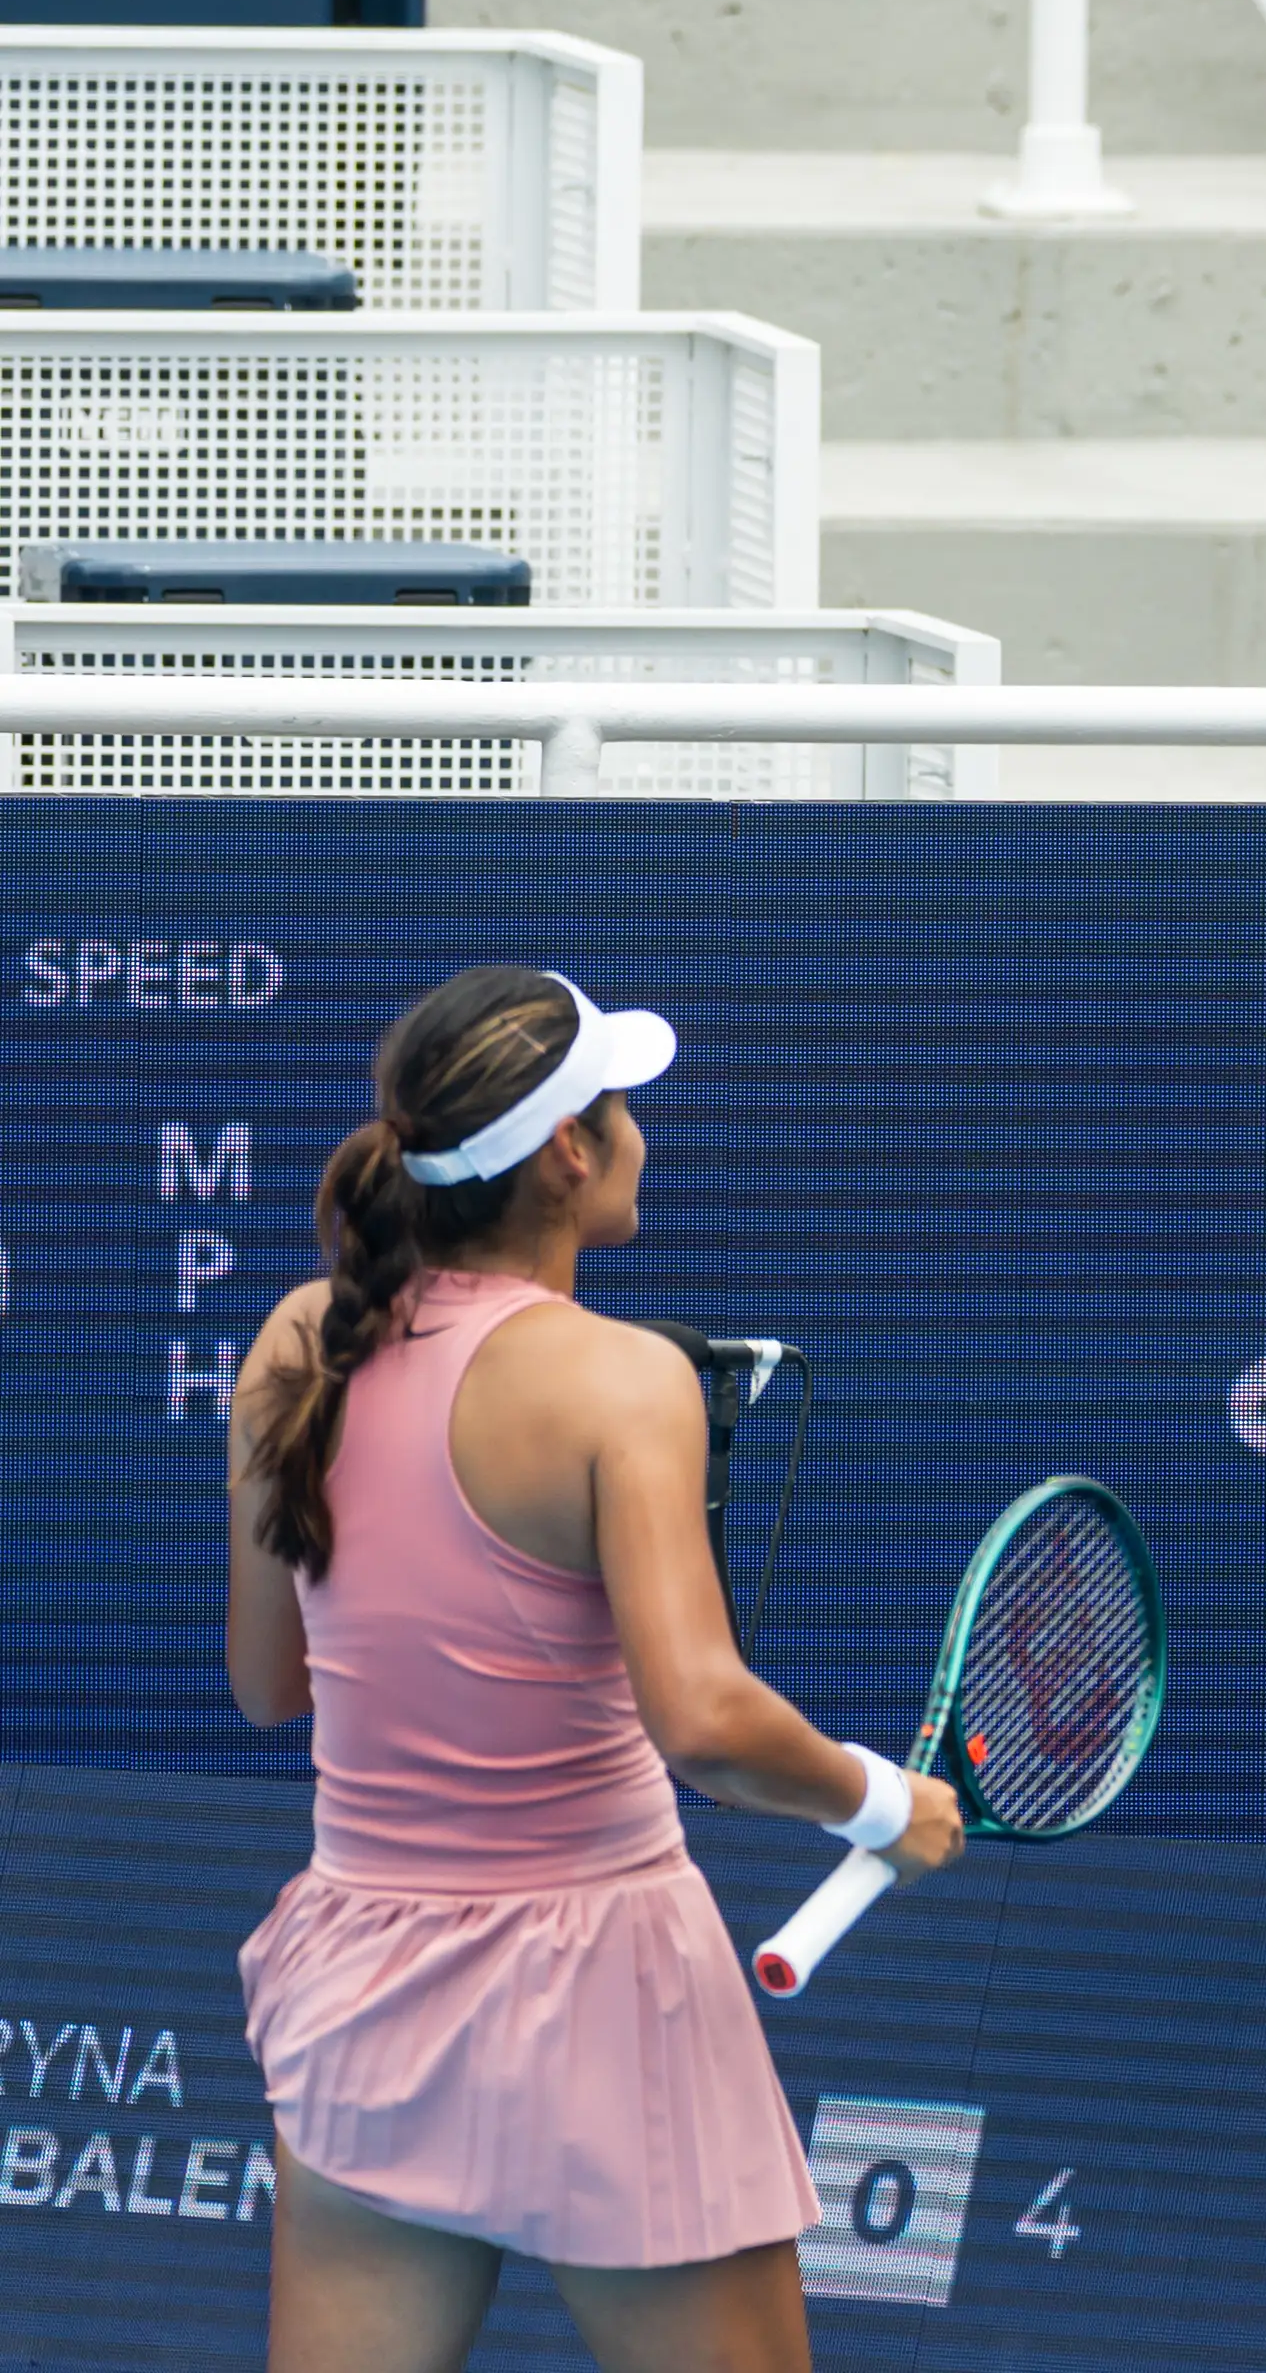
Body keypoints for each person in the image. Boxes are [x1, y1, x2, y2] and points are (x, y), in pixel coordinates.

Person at [225, 967, 967, 2372]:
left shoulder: (295, 1344)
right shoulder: (627, 1381)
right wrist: (884, 1802)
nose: (640, 1133)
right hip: (604, 1998)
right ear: (570, 1149)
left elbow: (271, 1686)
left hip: (363, 1986)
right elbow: (703, 1717)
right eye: (622, 1107)